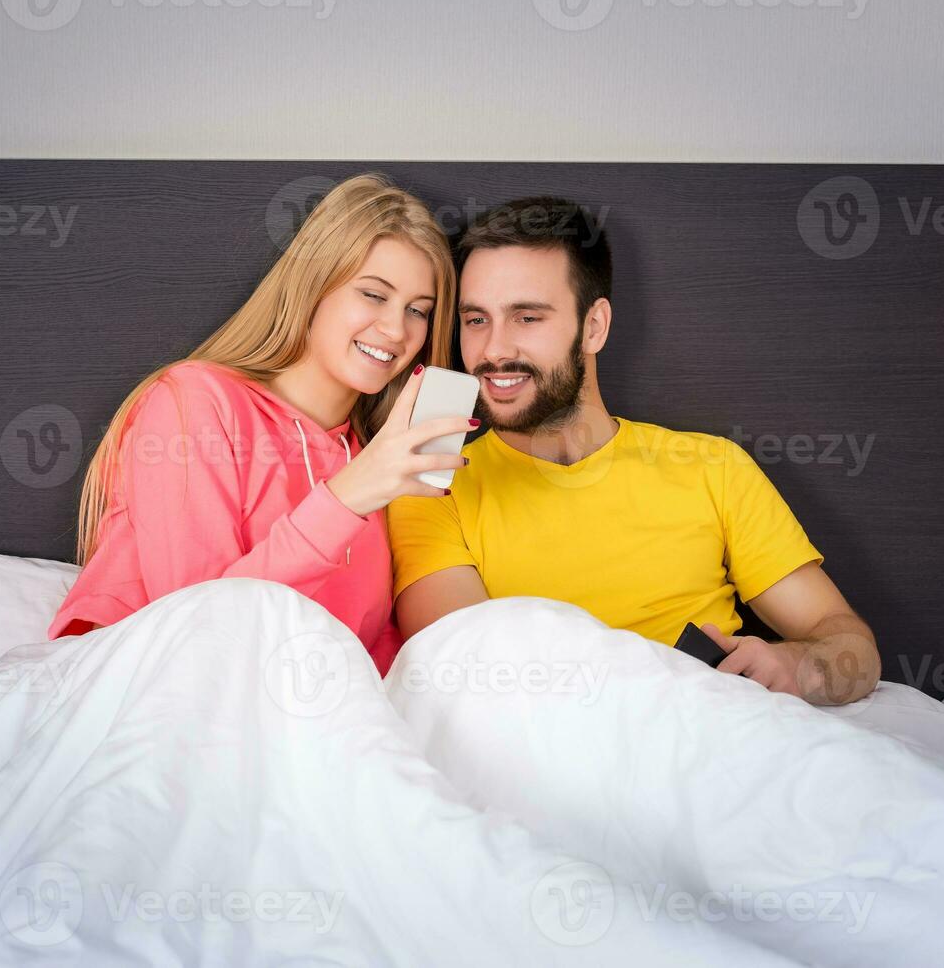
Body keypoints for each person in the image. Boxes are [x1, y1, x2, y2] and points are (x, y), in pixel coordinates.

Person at [387, 196, 881, 704]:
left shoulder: (714, 469)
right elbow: (472, 671)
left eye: (527, 318)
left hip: (723, 735)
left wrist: (798, 666)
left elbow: (852, 649)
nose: (493, 350)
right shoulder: (432, 485)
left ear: (594, 326)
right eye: (476, 320)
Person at [47, 173, 478, 675]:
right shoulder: (193, 402)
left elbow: (369, 648)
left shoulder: (376, 463)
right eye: (374, 295)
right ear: (314, 287)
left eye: (418, 311)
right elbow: (198, 629)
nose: (396, 329)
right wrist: (344, 499)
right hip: (153, 694)